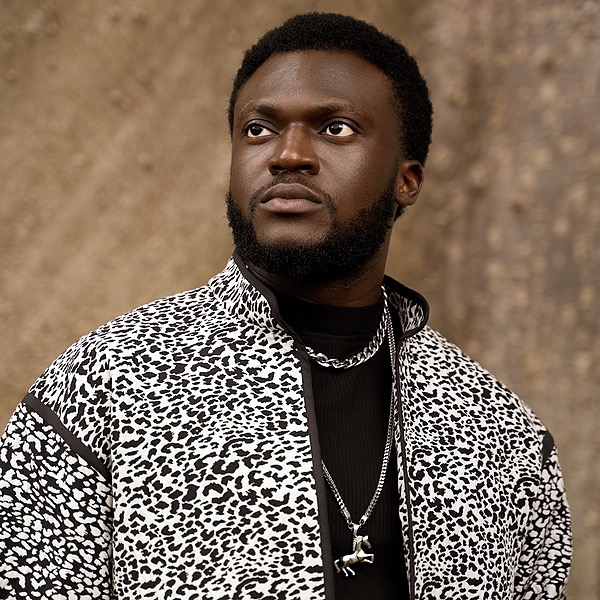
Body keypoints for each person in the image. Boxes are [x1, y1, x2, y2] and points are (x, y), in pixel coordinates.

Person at [0, 12, 571, 600]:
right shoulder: (107, 385)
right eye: (258, 130)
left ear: (408, 180)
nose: (288, 155)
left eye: (336, 129)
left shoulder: (504, 436)